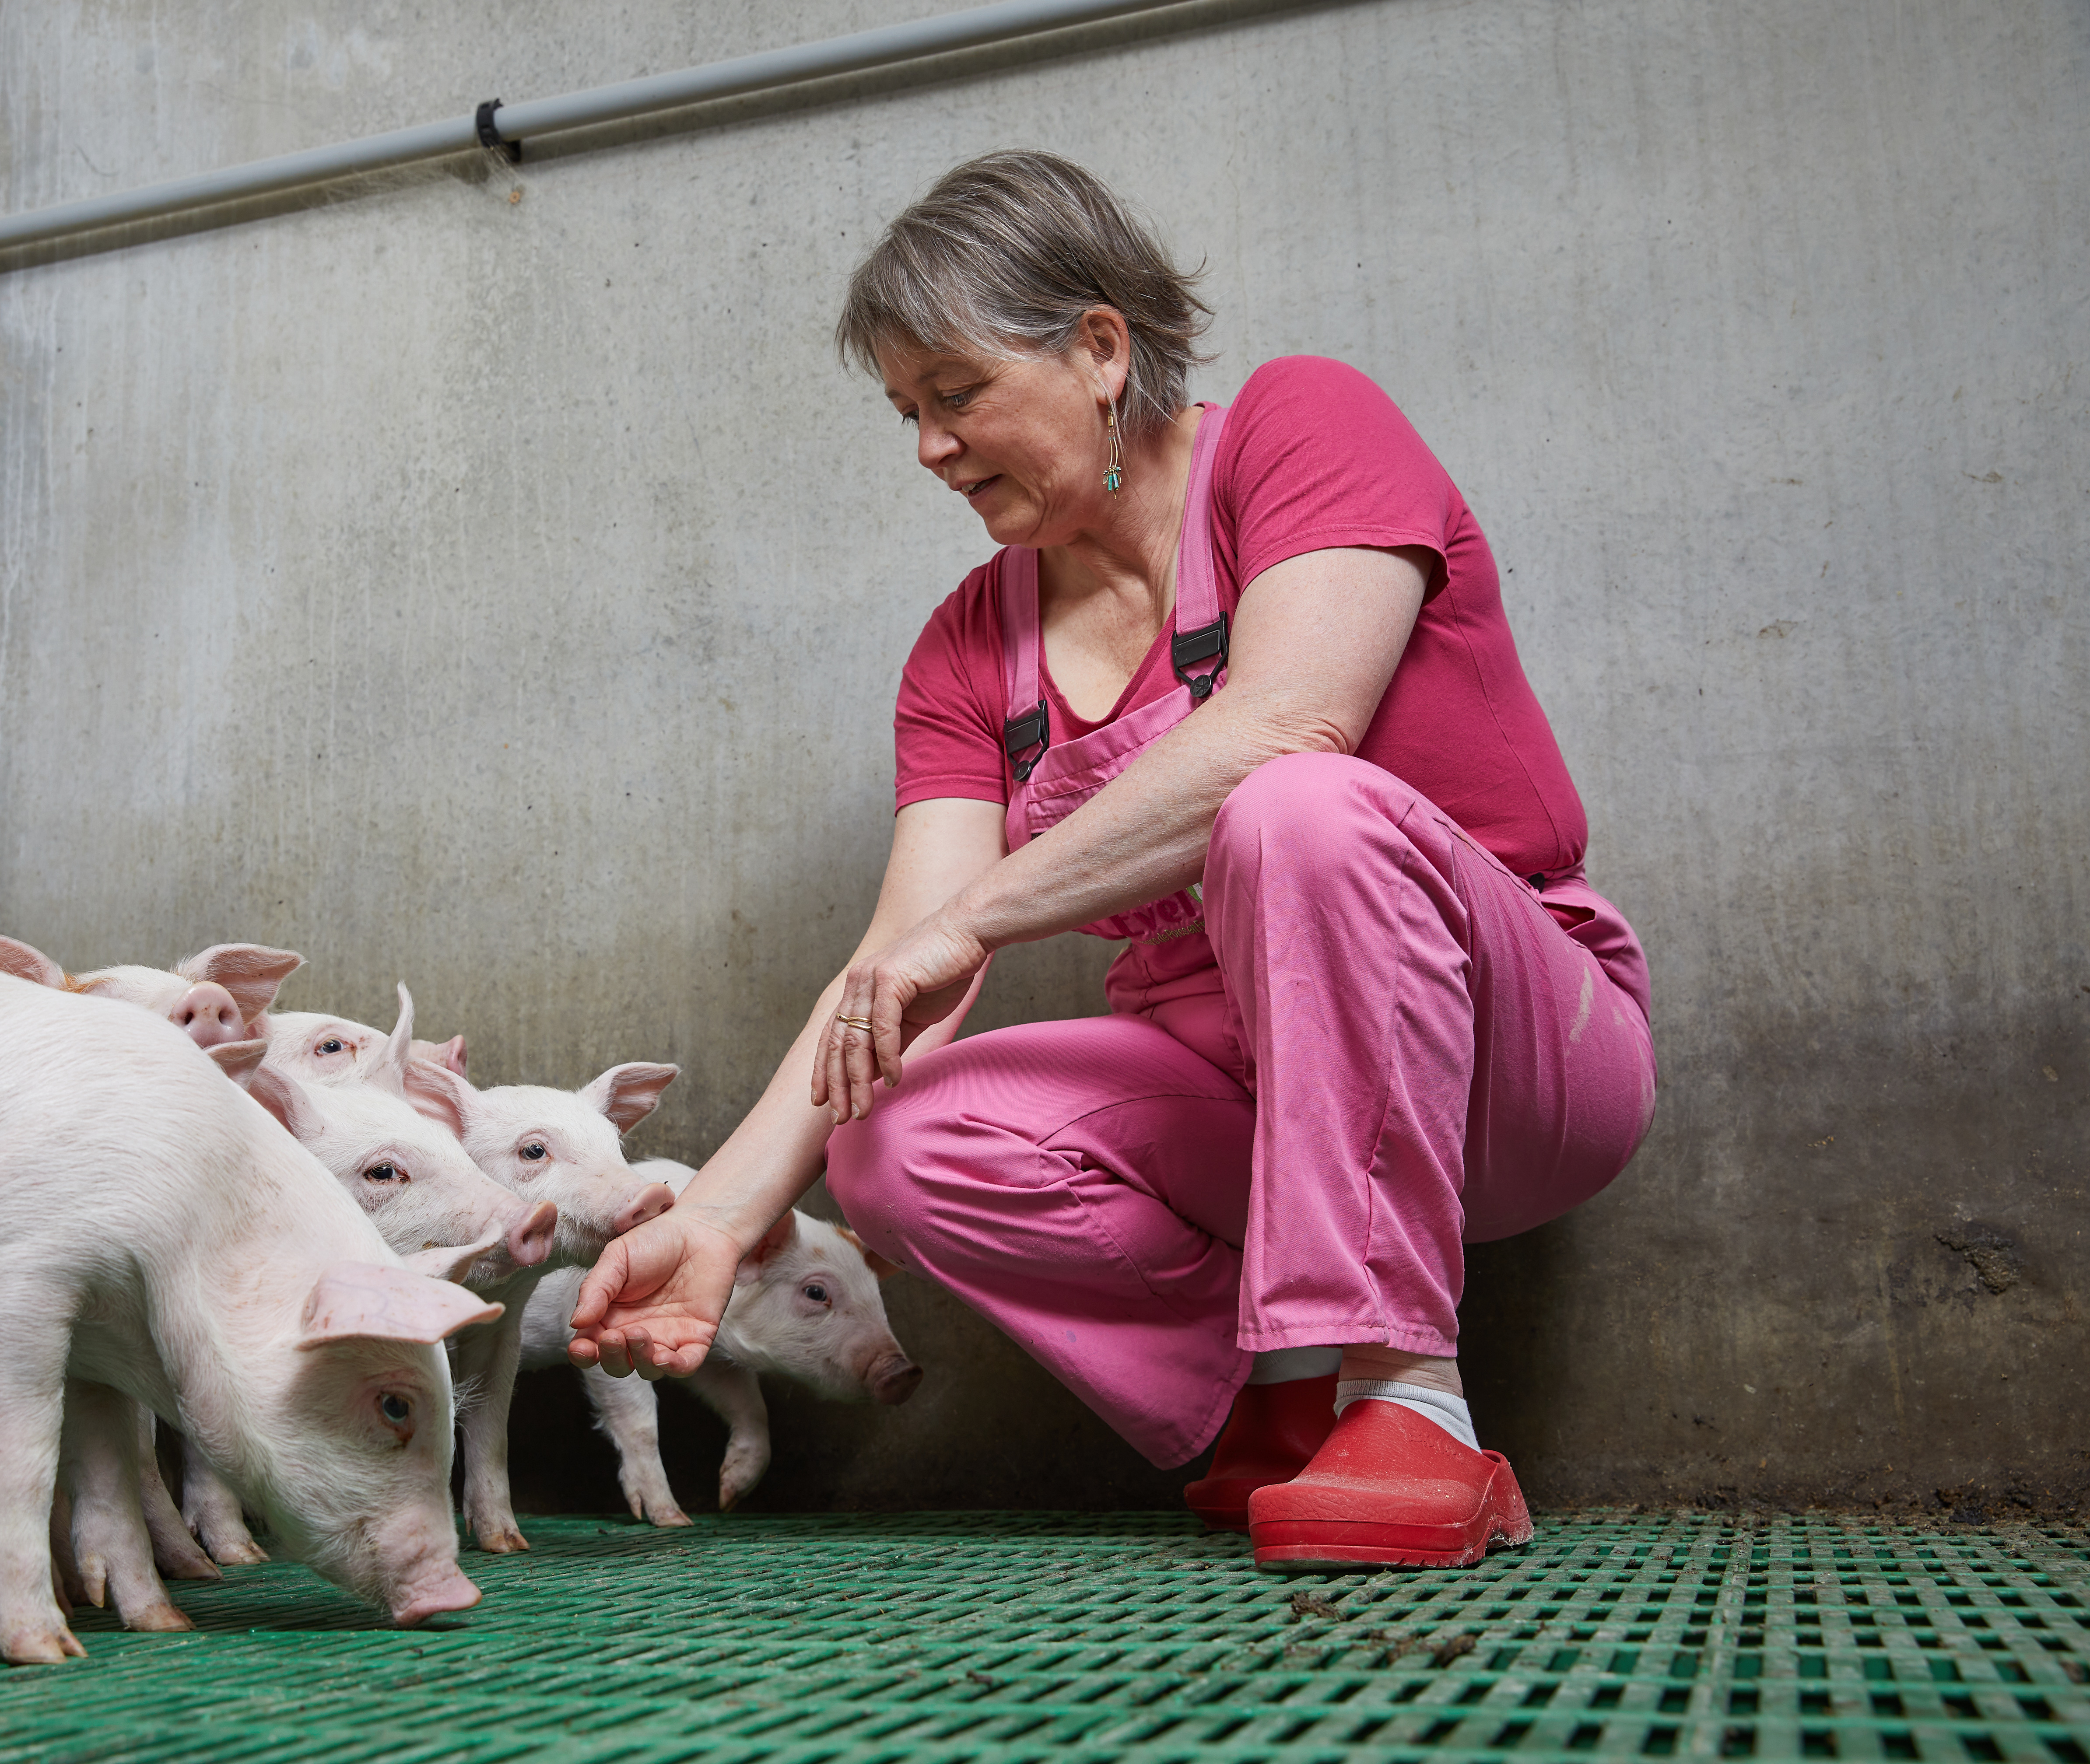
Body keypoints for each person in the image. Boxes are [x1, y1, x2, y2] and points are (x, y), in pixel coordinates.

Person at [566, 150, 1655, 1571]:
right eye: (906, 413)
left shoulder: (1300, 428)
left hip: (1519, 1067)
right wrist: (716, 1217)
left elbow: (1294, 719)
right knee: (895, 1139)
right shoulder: (969, 648)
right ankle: (1285, 1400)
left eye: (955, 394)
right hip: (1243, 1102)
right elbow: (896, 972)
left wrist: (985, 916)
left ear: (1098, 348)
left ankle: (1408, 1397)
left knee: (1294, 805)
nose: (929, 451)